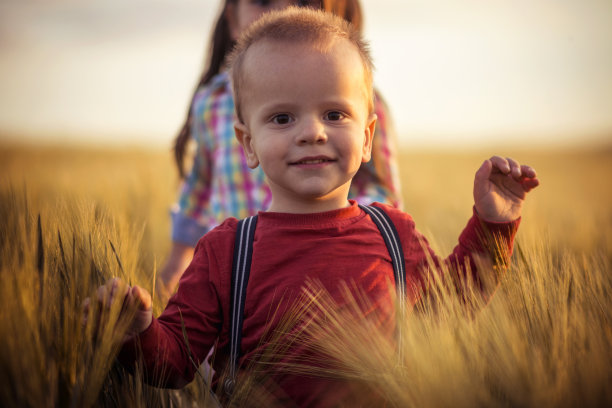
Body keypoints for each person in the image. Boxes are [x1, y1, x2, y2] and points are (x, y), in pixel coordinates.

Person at [84, 7, 540, 407]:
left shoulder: (393, 234)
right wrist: (136, 336)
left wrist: (494, 225)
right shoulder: (226, 251)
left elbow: (452, 305)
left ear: (366, 138)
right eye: (282, 118)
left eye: (335, 114)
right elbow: (175, 363)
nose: (313, 133)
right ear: (248, 143)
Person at [159, 0, 402, 298]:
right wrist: (177, 260)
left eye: (301, 2)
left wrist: (344, 237)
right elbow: (199, 186)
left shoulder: (358, 99)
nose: (283, 12)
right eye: (263, 1)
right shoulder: (212, 102)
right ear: (233, 19)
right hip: (234, 283)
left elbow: (384, 194)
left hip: (327, 284)